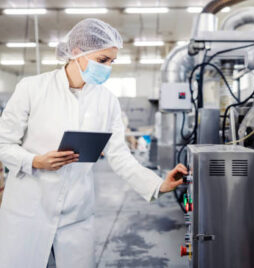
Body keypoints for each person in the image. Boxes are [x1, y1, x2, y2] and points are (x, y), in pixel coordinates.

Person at [0, 18, 188, 268]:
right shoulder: (33, 89)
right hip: (29, 210)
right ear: (77, 53)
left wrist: (158, 184)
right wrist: (35, 160)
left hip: (76, 214)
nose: (108, 68)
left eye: (111, 61)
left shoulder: (107, 101)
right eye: (102, 60)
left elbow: (120, 156)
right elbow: (3, 143)